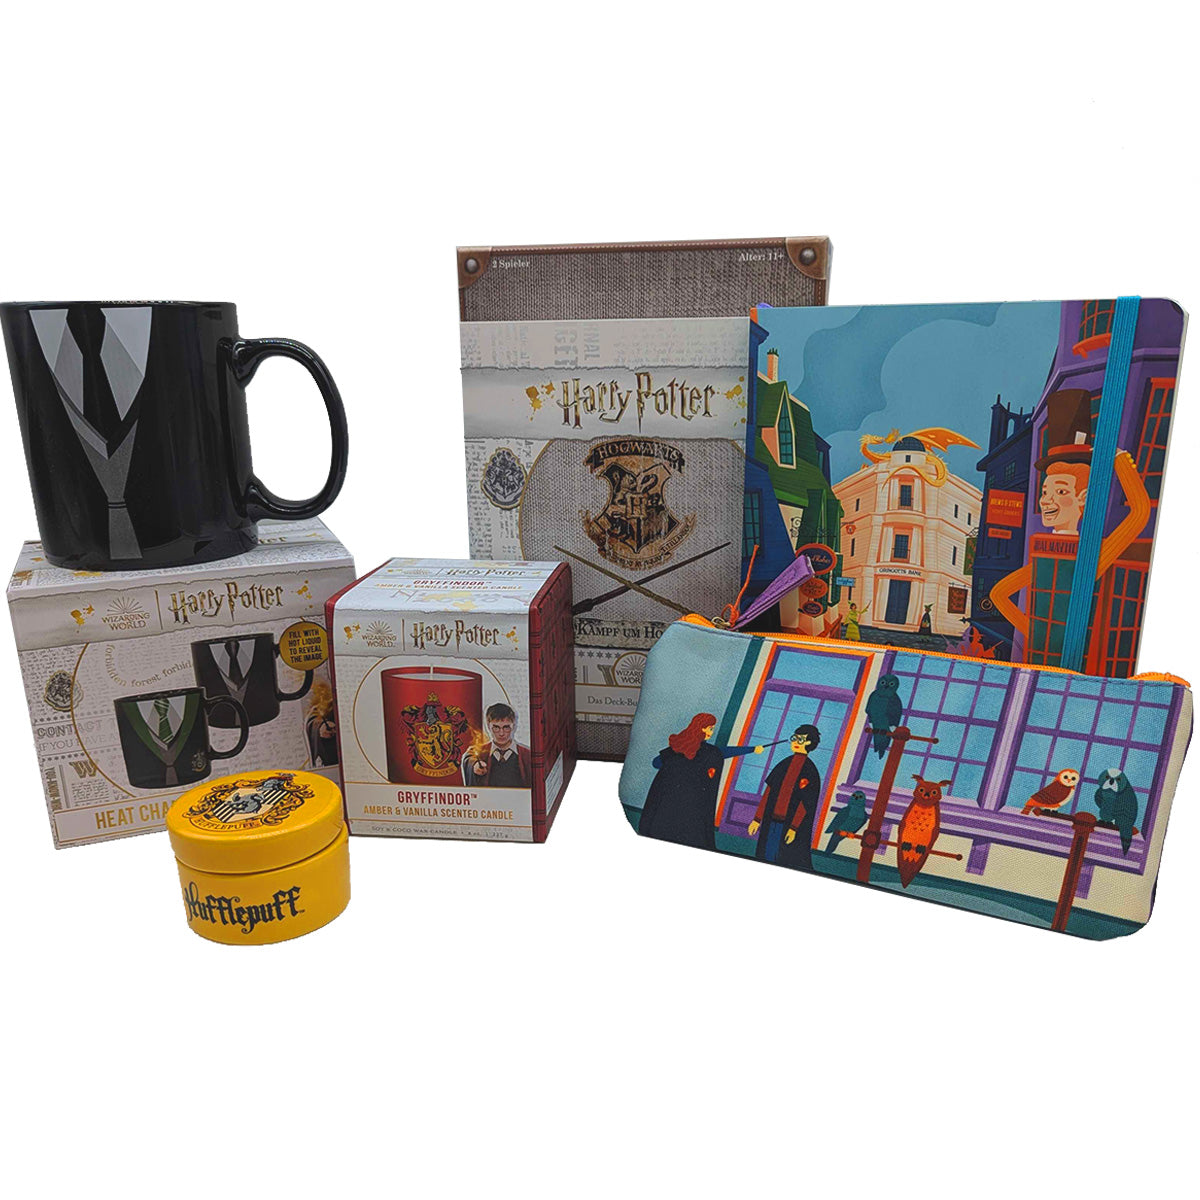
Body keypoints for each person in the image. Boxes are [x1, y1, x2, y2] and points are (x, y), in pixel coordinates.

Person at [638, 712, 763, 850]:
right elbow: (721, 752)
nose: (711, 732)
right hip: (688, 806)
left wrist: (751, 749)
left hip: (669, 806)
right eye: (709, 728)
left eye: (712, 728)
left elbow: (656, 763)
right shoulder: (705, 752)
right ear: (699, 728)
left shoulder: (678, 747)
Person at [748, 725, 823, 871]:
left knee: (785, 859)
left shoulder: (810, 771)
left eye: (800, 739)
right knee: (765, 856)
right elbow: (768, 792)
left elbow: (805, 804)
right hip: (771, 820)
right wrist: (757, 819)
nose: (795, 742)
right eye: (794, 738)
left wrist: (794, 828)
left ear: (809, 743)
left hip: (789, 824)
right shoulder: (784, 764)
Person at [461, 702, 531, 787]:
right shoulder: (481, 752)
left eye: (506, 727)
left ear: (514, 726)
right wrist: (474, 765)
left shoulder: (527, 755)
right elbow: (469, 757)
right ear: (488, 726)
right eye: (496, 727)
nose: (501, 733)